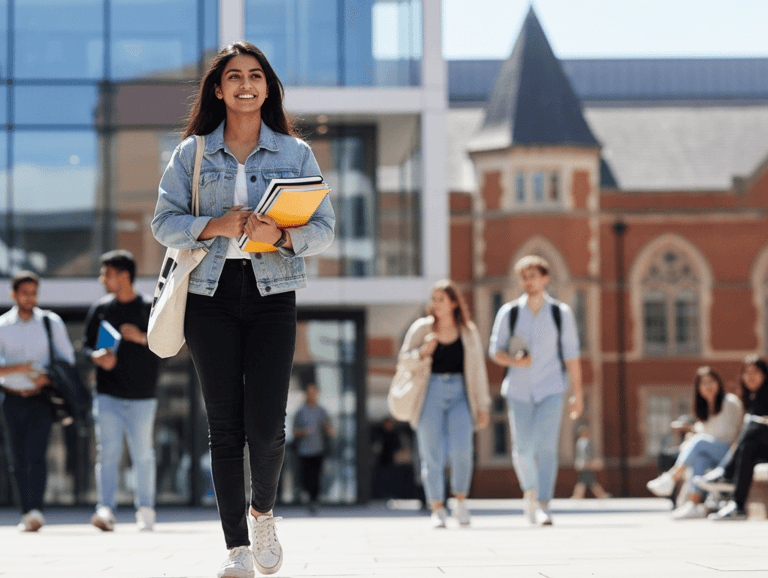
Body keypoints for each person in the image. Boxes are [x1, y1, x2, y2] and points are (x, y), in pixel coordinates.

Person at [152, 41, 335, 577]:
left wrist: (278, 234)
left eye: (256, 76)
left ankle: (263, 516)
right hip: (209, 296)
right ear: (218, 88)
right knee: (225, 425)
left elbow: (323, 229)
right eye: (235, 76)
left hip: (272, 292)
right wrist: (215, 225)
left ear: (267, 87)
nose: (246, 84)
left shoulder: (295, 152)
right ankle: (236, 548)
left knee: (269, 425)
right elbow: (163, 222)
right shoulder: (193, 154)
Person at [488, 255, 582, 526]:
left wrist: (578, 394)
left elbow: (572, 355)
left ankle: (543, 503)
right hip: (518, 390)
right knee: (523, 449)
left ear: (545, 279)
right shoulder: (509, 312)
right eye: (524, 277)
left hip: (552, 388)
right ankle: (529, 491)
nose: (529, 282)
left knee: (547, 448)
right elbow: (495, 351)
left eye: (534, 276)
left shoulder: (560, 313)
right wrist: (515, 361)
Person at [398, 279, 491, 528]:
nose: (435, 304)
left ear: (453, 302)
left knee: (462, 451)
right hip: (430, 393)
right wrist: (423, 352)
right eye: (433, 299)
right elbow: (403, 361)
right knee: (432, 454)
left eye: (441, 299)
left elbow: (479, 370)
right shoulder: (421, 328)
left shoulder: (468, 331)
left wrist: (482, 405)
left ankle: (460, 502)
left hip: (461, 393)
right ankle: (437, 508)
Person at [83, 250, 161, 532]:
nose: (102, 279)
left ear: (124, 275)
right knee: (107, 453)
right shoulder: (101, 309)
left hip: (143, 396)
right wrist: (97, 356)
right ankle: (105, 509)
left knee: (143, 454)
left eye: (107, 273)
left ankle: (146, 510)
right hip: (107, 395)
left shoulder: (149, 308)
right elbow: (86, 347)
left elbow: (169, 347)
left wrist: (142, 338)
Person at [0, 271, 76, 532]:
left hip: (41, 399)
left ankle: (36, 511)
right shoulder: (2, 325)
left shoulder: (50, 322)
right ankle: (25, 513)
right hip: (10, 400)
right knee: (16, 458)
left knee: (36, 454)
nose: (30, 298)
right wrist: (18, 368)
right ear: (13, 294)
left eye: (33, 293)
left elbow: (67, 359)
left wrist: (48, 377)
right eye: (24, 293)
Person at [645, 366, 742, 519]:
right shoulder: (705, 408)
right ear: (698, 388)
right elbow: (704, 433)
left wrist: (697, 433)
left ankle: (671, 477)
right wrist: (691, 429)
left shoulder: (730, 402)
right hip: (713, 453)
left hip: (731, 452)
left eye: (711, 381)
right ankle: (694, 505)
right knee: (700, 458)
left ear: (718, 383)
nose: (707, 386)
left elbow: (728, 435)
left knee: (700, 442)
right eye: (703, 383)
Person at [694, 356, 768, 521]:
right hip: (761, 445)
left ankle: (725, 472)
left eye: (755, 372)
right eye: (746, 372)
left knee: (754, 426)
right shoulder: (751, 399)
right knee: (747, 448)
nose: (750, 376)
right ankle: (738, 507)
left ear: (765, 374)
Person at [292, 383, 334, 513]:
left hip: (318, 450)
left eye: (314, 392)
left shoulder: (322, 411)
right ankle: (307, 498)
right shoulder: (300, 412)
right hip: (304, 451)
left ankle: (314, 501)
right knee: (306, 477)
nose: (312, 395)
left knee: (316, 477)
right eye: (309, 393)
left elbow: (331, 431)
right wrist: (304, 432)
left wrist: (327, 429)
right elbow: (294, 431)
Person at [571, 424, 611, 499]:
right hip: (586, 464)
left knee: (585, 480)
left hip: (582, 464)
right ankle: (600, 495)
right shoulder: (585, 442)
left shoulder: (579, 442)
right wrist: (591, 462)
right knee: (589, 480)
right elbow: (585, 454)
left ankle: (578, 495)